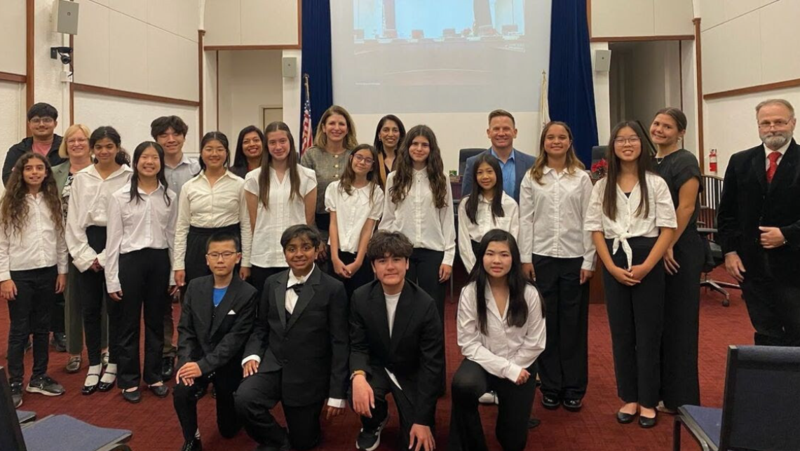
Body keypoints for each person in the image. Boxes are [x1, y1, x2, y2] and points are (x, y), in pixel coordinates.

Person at [584, 121, 676, 428]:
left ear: (642, 145)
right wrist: (609, 267)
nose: (627, 144)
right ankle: (630, 397)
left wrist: (648, 265)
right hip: (614, 259)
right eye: (621, 140)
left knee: (649, 333)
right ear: (613, 147)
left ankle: (649, 399)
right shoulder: (601, 186)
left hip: (647, 257)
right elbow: (595, 229)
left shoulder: (656, 183)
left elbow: (667, 229)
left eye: (633, 139)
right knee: (622, 333)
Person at [235, 225, 348, 451]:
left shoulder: (333, 288)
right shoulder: (271, 283)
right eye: (292, 248)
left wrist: (337, 393)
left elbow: (340, 342)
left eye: (306, 248)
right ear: (284, 253)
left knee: (304, 442)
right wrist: (252, 355)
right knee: (243, 399)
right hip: (274, 365)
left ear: (317, 251)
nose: (298, 254)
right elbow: (260, 327)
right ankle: (278, 440)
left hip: (308, 376)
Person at [519, 121, 595, 412]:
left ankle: (574, 387)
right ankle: (550, 386)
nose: (556, 141)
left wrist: (590, 259)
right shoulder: (532, 177)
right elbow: (525, 219)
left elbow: (590, 219)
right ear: (543, 142)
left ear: (569, 141)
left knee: (573, 325)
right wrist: (525, 258)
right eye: (551, 137)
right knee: (545, 324)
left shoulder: (582, 178)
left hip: (575, 258)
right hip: (541, 258)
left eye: (561, 137)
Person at [449, 230, 545, 451]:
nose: (497, 260)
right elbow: (468, 343)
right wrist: (505, 368)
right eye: (490, 253)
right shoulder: (470, 292)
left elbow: (536, 342)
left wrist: (513, 368)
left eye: (504, 254)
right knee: (463, 385)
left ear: (514, 258)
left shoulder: (529, 293)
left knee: (513, 441)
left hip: (521, 366)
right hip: (482, 362)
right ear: (481, 257)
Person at [350, 231, 444, 451]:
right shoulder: (360, 297)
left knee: (416, 445)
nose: (390, 266)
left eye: (396, 260)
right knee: (357, 386)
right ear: (373, 267)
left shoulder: (425, 304)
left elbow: (432, 365)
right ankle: (374, 422)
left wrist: (422, 420)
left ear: (407, 264)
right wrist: (359, 377)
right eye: (382, 261)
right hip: (378, 367)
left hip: (411, 372)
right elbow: (358, 345)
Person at [718, 98, 800, 347]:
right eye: (765, 123)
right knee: (765, 332)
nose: (772, 128)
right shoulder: (740, 161)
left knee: (796, 331)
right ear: (758, 127)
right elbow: (727, 214)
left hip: (793, 266)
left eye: (779, 122)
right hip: (751, 267)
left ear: (792, 123)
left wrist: (786, 234)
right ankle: (770, 385)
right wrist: (729, 252)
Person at [105, 142, 178, 403]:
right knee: (128, 324)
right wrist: (111, 279)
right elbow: (113, 240)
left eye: (154, 158)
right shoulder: (120, 196)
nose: (149, 162)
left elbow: (171, 236)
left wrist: (172, 274)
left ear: (160, 162)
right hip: (130, 262)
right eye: (144, 157)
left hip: (159, 261)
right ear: (136, 162)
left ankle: (154, 375)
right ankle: (128, 380)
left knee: (156, 323)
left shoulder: (169, 196)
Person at [173, 232, 257, 451]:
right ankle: (192, 437)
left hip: (228, 365)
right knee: (182, 389)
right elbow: (185, 330)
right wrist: (185, 363)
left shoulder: (248, 293)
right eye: (215, 254)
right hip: (197, 358)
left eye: (227, 254)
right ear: (206, 258)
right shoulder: (194, 287)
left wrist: (203, 366)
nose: (220, 260)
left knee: (228, 431)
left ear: (238, 257)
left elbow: (234, 340)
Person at [66, 126, 132, 396]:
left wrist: (106, 257)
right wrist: (86, 256)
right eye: (99, 147)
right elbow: (73, 221)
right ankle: (94, 362)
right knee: (90, 309)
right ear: (93, 149)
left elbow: (129, 219)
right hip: (86, 244)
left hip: (118, 244)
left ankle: (114, 362)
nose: (104, 151)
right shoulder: (81, 178)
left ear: (117, 147)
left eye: (109, 146)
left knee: (115, 309)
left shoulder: (129, 176)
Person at [0, 153, 68, 408]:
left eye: (40, 168)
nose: (35, 172)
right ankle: (15, 380)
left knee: (43, 327)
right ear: (21, 173)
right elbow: (1, 243)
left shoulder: (53, 201)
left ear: (47, 172)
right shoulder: (9, 202)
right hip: (20, 274)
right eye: (29, 168)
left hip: (48, 272)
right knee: (19, 329)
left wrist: (62, 271)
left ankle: (38, 376)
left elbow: (60, 238)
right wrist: (4, 278)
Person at [649, 108, 703, 413]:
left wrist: (668, 242)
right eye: (657, 123)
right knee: (655, 323)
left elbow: (685, 207)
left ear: (680, 132)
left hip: (678, 251)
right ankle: (655, 391)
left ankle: (680, 399)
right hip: (655, 249)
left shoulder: (685, 161)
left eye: (667, 126)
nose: (659, 129)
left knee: (679, 325)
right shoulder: (650, 161)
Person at [379, 124, 455, 330]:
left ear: (432, 149)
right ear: (407, 147)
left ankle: (434, 361)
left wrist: (448, 259)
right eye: (414, 144)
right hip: (402, 252)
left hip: (434, 252)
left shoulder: (441, 178)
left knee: (434, 310)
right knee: (404, 308)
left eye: (424, 144)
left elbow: (447, 220)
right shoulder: (394, 178)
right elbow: (388, 217)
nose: (419, 148)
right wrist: (385, 253)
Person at [54, 124, 106, 375]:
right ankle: (75, 351)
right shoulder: (55, 172)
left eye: (82, 139)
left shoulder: (102, 170)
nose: (76, 144)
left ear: (90, 143)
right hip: (66, 241)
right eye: (71, 140)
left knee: (104, 299)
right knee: (73, 300)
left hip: (98, 238)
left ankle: (105, 348)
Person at [151, 115, 201, 381]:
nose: (170, 139)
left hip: (191, 241)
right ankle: (167, 354)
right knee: (161, 305)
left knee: (192, 301)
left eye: (175, 134)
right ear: (156, 139)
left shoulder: (196, 168)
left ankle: (193, 353)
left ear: (183, 136)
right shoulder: (150, 167)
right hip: (159, 242)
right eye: (164, 135)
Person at [173, 131, 252, 294]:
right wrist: (179, 264)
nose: (214, 154)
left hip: (230, 242)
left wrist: (246, 262)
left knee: (230, 297)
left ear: (227, 153)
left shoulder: (239, 184)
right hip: (197, 245)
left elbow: (246, 225)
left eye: (219, 149)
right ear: (201, 153)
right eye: (209, 149)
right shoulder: (189, 186)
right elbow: (181, 228)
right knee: (197, 296)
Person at [244, 122, 317, 298]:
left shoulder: (307, 175)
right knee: (265, 309)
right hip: (264, 256)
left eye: (282, 141)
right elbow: (253, 222)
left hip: (297, 256)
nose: (278, 147)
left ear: (290, 142)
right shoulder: (253, 178)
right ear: (266, 146)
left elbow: (308, 220)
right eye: (272, 142)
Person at [326, 144, 385, 299]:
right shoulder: (335, 188)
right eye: (359, 157)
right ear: (351, 158)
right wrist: (334, 258)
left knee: (359, 300)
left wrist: (358, 262)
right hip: (336, 253)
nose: (362, 162)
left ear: (372, 166)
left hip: (361, 255)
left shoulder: (376, 193)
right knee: (334, 301)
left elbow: (368, 229)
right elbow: (333, 224)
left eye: (368, 160)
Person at [300, 105, 358, 241]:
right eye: (332, 123)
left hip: (352, 227)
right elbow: (303, 198)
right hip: (320, 228)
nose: (337, 128)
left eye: (341, 124)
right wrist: (314, 237)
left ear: (347, 128)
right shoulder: (311, 155)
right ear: (324, 128)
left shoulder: (356, 155)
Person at [458, 153, 520, 274]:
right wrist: (473, 270)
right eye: (479, 172)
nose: (485, 176)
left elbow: (514, 241)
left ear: (497, 173)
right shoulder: (466, 204)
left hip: (501, 260)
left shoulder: (510, 205)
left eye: (489, 171)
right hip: (475, 260)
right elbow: (463, 243)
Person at [461, 110, 536, 202]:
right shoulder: (473, 163)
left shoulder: (532, 164)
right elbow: (466, 201)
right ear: (489, 133)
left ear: (515, 132)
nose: (501, 133)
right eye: (496, 129)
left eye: (506, 129)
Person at [3, 102, 67, 185]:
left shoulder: (66, 147)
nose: (41, 124)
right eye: (36, 120)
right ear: (29, 124)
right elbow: (8, 179)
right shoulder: (17, 150)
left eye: (46, 120)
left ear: (55, 124)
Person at [372, 115, 406, 185]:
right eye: (386, 130)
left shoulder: (407, 158)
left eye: (395, 130)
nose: (390, 134)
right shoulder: (372, 159)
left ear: (400, 135)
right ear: (379, 135)